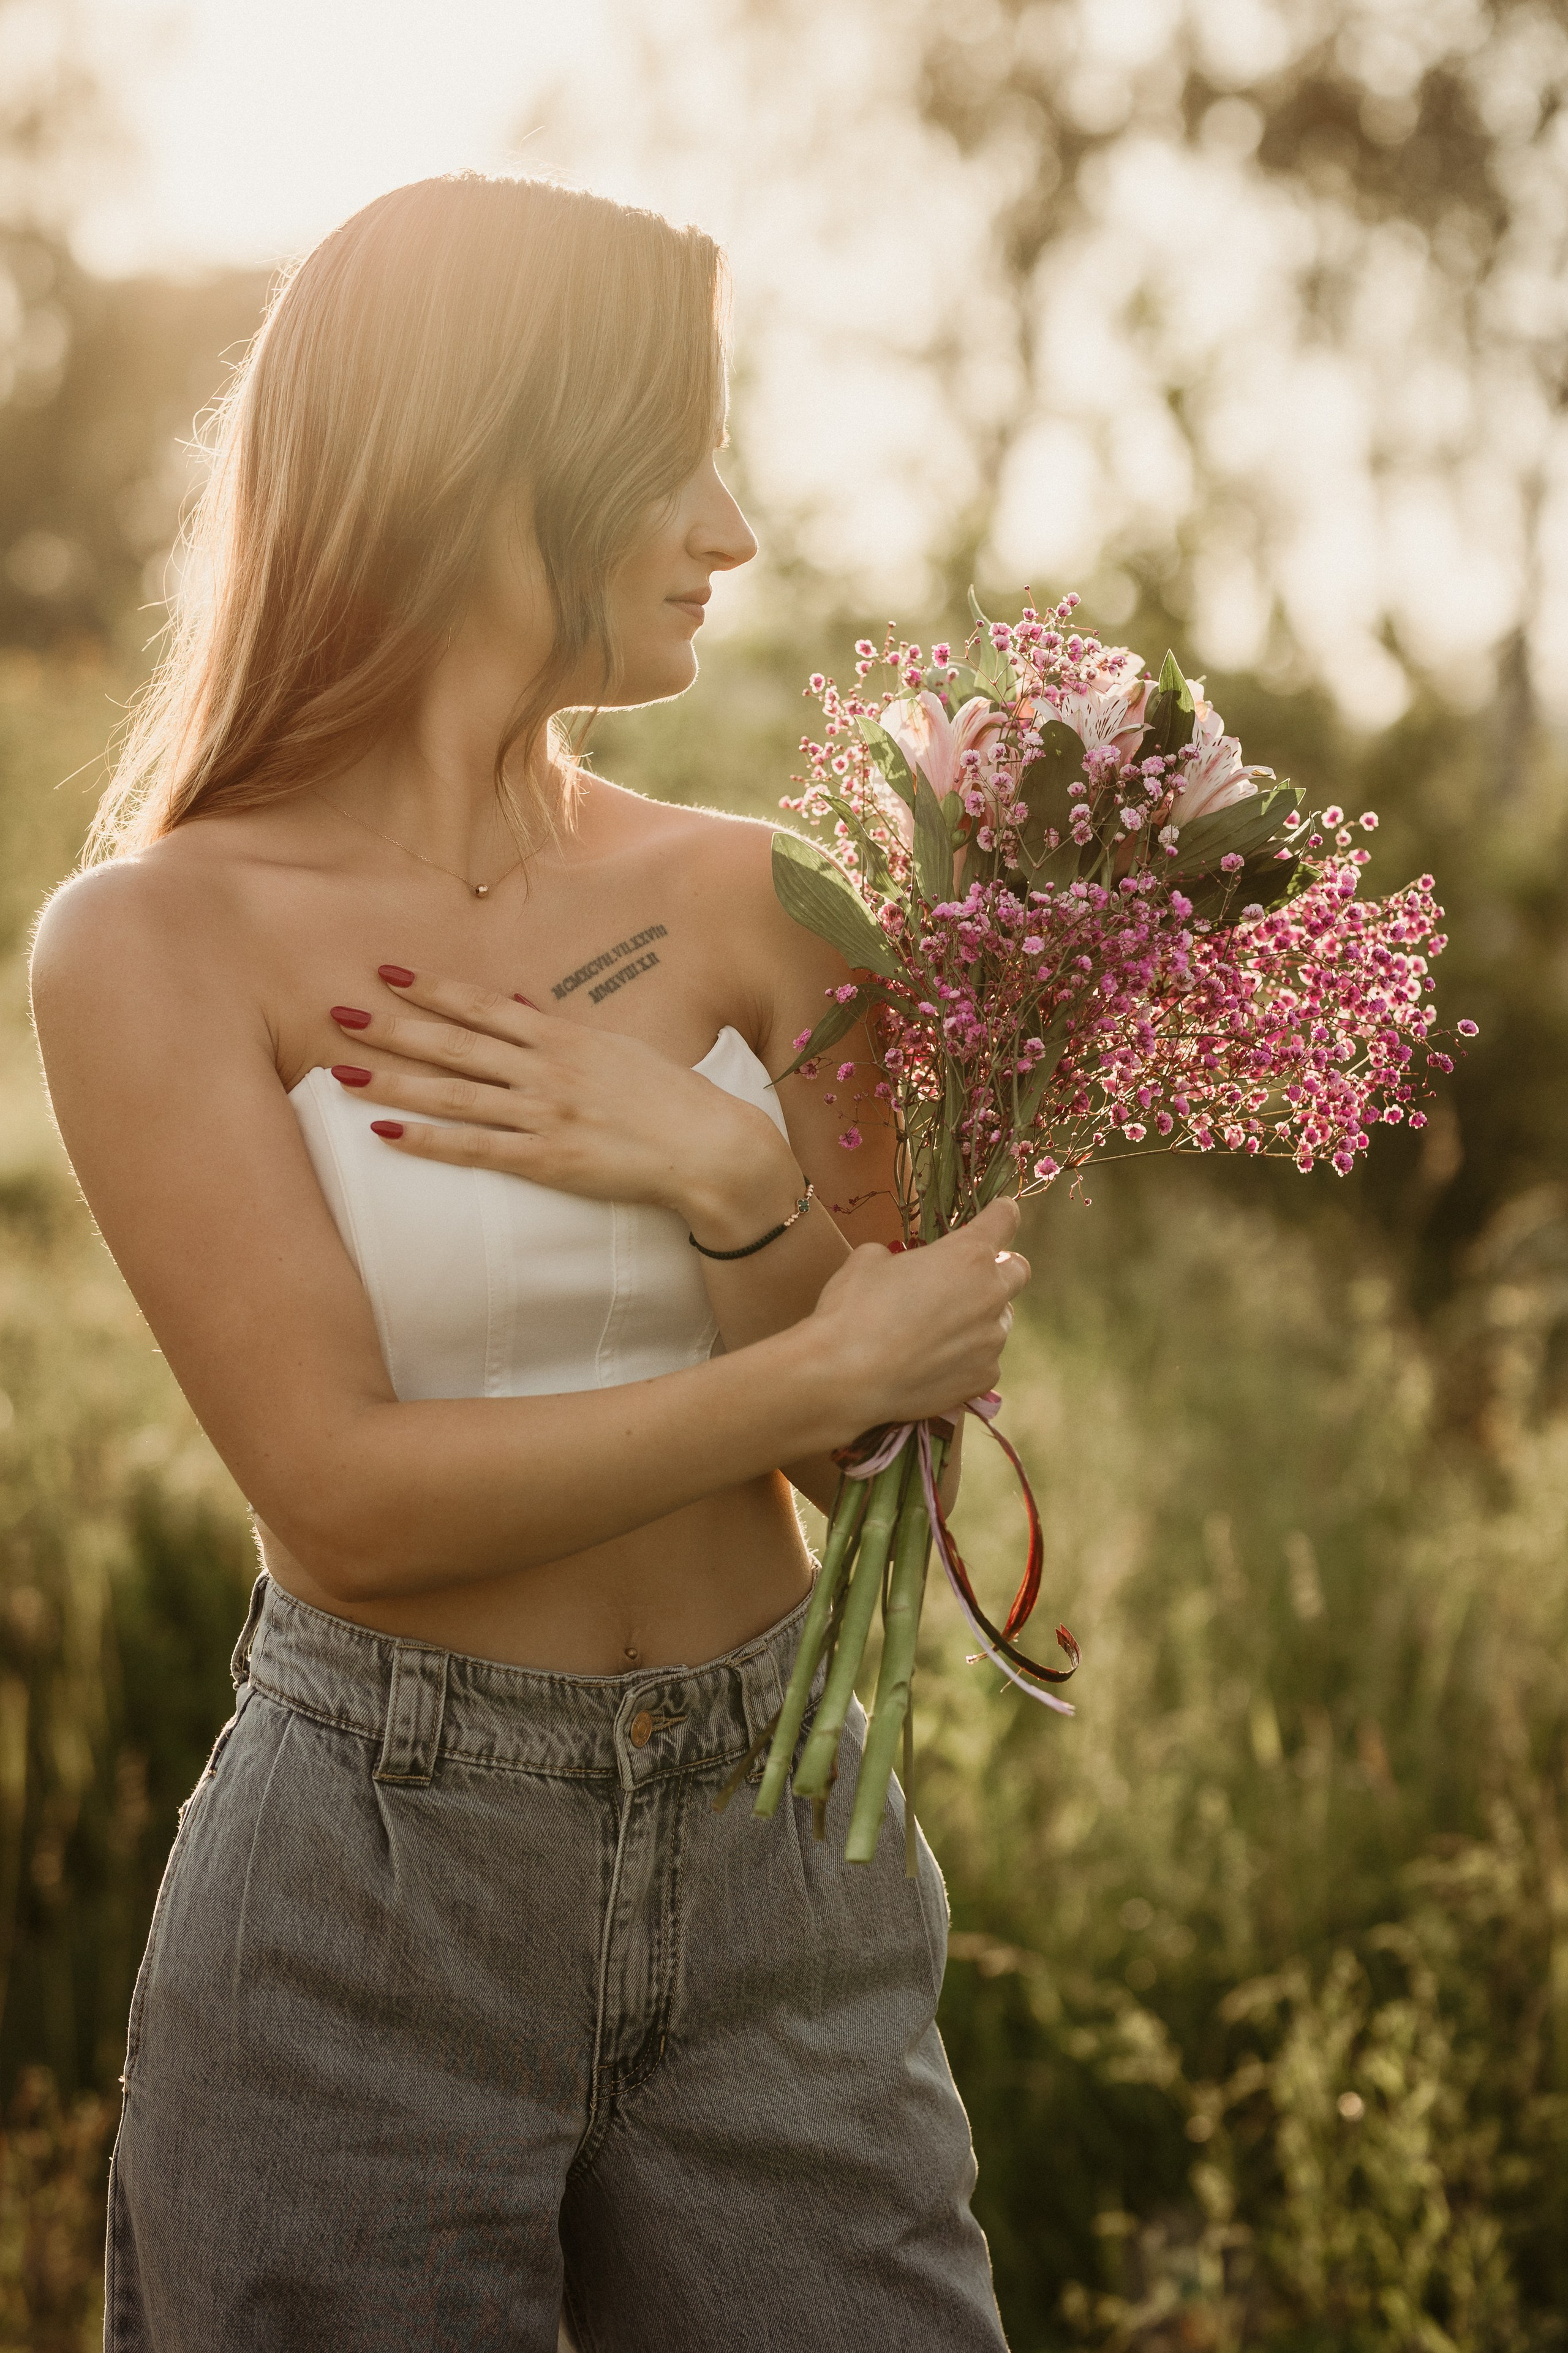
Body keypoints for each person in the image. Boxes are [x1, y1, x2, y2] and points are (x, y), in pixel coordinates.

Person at [30, 173, 1028, 2353]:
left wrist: (721, 1179)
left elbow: (897, 1468)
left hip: (788, 1852)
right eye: (677, 449)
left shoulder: (778, 899)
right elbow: (346, 1495)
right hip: (369, 1894)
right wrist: (797, 1362)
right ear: (490, 456)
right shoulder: (154, 938)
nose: (733, 524)